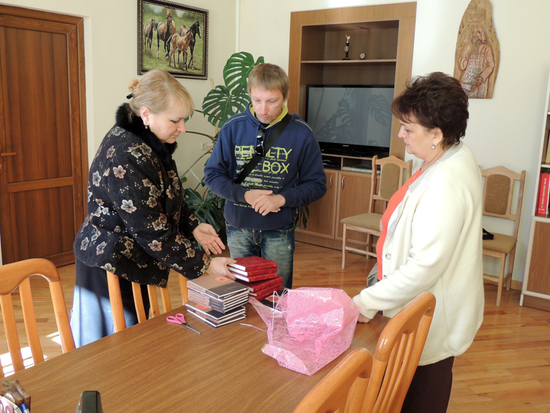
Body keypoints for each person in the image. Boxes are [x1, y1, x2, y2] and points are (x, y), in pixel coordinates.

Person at [71, 69, 234, 347]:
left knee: (133, 344)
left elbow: (166, 196)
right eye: (175, 120)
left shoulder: (150, 141)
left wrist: (193, 225)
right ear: (145, 114)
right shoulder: (126, 154)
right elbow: (152, 230)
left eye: (183, 119)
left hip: (132, 258)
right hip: (109, 263)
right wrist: (204, 263)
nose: (182, 128)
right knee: (109, 352)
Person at [352, 72, 484, 412]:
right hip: (417, 304)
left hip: (432, 317)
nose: (400, 134)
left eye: (408, 128)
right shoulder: (447, 156)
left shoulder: (445, 185)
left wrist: (364, 302)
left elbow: (424, 266)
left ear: (437, 134)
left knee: (421, 397)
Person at [204, 63, 327, 289]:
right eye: (257, 100)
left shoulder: (302, 133)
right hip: (238, 228)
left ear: (285, 96)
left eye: (272, 101)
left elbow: (317, 184)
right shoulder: (232, 128)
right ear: (250, 93)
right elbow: (213, 175)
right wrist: (245, 195)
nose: (263, 110)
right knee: (239, 293)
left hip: (279, 229)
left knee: (278, 294)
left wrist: (282, 199)